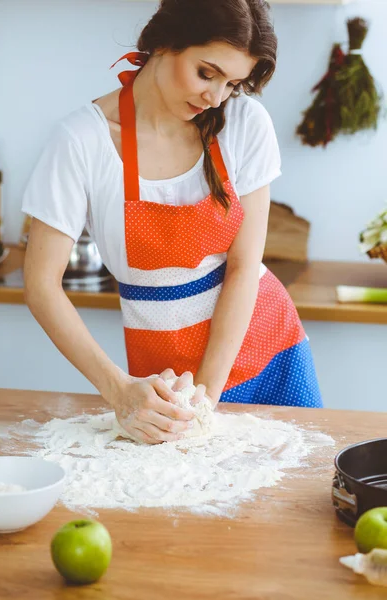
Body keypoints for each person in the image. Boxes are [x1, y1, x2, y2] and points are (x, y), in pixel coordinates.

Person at [22, 0, 322, 445]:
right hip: (160, 368)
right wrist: (119, 389)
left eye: (232, 83)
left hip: (264, 348)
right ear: (164, 42)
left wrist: (203, 398)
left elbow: (243, 266)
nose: (216, 97)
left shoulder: (243, 123)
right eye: (206, 73)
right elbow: (41, 285)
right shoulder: (82, 141)